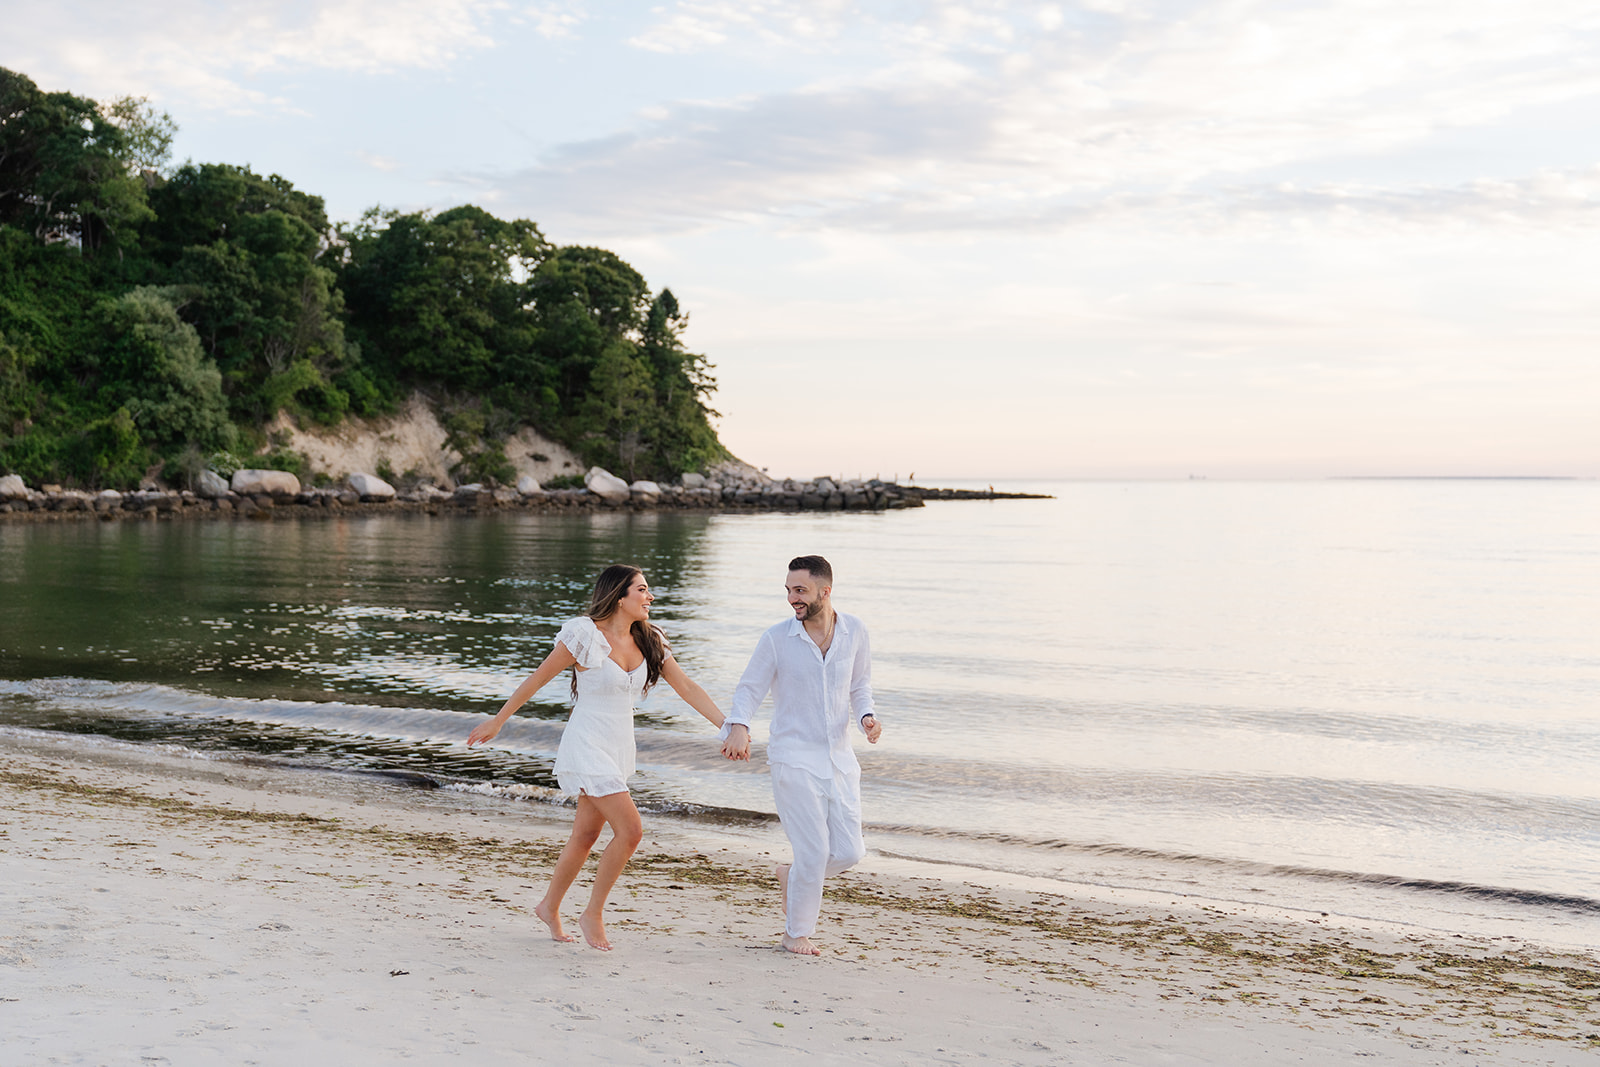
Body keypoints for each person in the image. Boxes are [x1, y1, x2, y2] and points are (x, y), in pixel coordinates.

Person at [467, 564, 736, 950]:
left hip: (618, 746)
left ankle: (549, 906)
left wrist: (728, 728)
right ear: (619, 595)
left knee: (586, 834)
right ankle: (592, 912)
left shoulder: (650, 639)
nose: (650, 597)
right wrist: (499, 720)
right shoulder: (584, 635)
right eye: (642, 590)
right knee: (631, 831)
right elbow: (539, 677)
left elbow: (687, 687)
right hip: (587, 742)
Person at [720, 555, 882, 955]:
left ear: (825, 592)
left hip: (840, 760)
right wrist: (738, 725)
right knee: (813, 851)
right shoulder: (777, 638)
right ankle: (796, 935)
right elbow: (750, 687)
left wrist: (867, 716)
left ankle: (792, 877)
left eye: (800, 591)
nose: (792, 599)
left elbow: (860, 686)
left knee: (849, 851)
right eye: (789, 591)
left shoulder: (855, 631)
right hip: (792, 758)